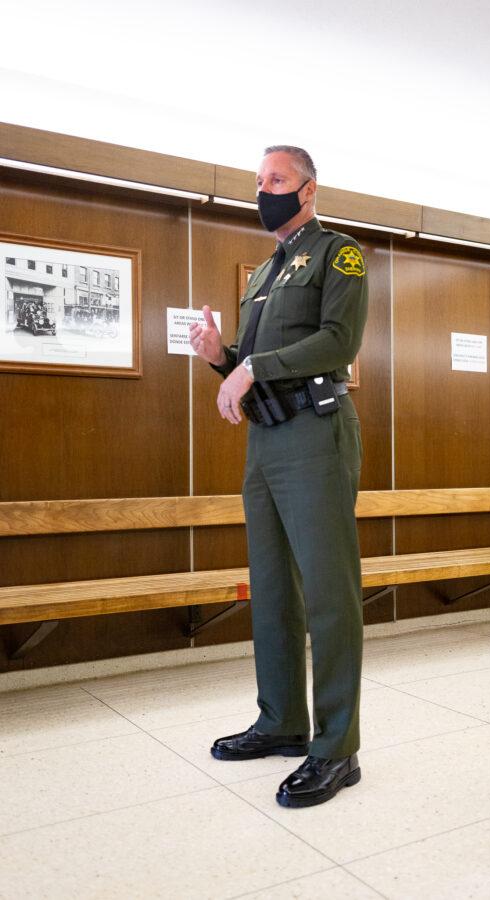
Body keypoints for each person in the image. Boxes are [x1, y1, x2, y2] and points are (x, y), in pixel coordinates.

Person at [190, 145, 368, 808]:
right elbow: (255, 361)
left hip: (316, 434)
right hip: (265, 441)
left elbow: (336, 343)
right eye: (258, 181)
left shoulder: (337, 254)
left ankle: (336, 747)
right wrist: (223, 357)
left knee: (328, 593)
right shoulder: (265, 272)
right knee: (271, 589)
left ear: (309, 189)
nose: (264, 190)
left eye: (277, 179)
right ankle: (282, 722)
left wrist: (250, 369)